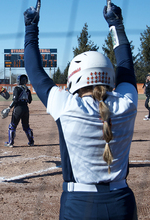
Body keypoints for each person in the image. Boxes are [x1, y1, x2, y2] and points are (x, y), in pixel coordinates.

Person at [24, 2, 137, 220]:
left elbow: (33, 70)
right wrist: (115, 24)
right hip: (122, 202)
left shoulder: (68, 106)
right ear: (109, 76)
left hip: (79, 205)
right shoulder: (127, 103)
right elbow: (125, 65)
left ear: (75, 78)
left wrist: (31, 26)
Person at [3, 74, 34, 147]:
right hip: (26, 108)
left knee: (12, 126)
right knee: (26, 126)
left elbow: (15, 100)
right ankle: (31, 141)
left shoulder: (17, 88)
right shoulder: (27, 89)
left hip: (18, 108)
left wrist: (9, 108)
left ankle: (10, 143)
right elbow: (30, 101)